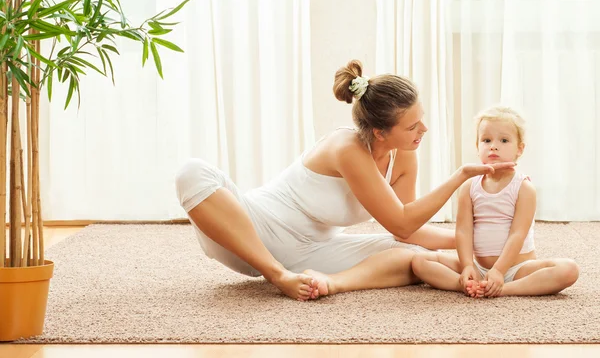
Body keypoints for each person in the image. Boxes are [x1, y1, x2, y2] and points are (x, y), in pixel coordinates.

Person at [175, 60, 514, 301]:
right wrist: (460, 176)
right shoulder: (347, 148)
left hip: (310, 252)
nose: (423, 130)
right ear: (380, 132)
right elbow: (400, 218)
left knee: (410, 255)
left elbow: (405, 230)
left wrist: (471, 241)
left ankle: (327, 282)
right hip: (252, 230)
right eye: (412, 126)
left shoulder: (404, 152)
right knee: (192, 172)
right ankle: (277, 275)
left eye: (420, 120)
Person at [411, 106, 579, 298]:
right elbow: (464, 231)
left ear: (520, 149)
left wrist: (499, 270)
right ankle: (469, 285)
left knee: (568, 269)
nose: (493, 146)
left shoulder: (524, 188)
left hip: (518, 269)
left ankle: (505, 289)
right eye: (486, 140)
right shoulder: (469, 187)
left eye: (504, 140)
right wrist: (467, 265)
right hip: (479, 267)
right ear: (477, 147)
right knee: (419, 261)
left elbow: (518, 233)